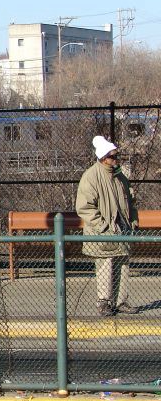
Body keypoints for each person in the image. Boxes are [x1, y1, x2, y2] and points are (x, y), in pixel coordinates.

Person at [76, 135, 140, 316]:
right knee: (105, 265)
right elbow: (85, 207)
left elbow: (130, 201)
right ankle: (104, 302)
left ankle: (120, 301)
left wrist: (132, 221)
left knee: (123, 264)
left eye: (116, 156)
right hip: (105, 230)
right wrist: (103, 226)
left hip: (121, 228)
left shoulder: (120, 176)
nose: (115, 159)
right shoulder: (91, 176)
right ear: (103, 157)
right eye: (112, 156)